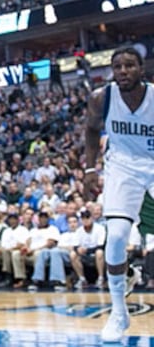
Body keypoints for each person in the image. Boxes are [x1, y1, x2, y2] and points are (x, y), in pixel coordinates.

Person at [84, 46, 154, 343]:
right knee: (114, 237)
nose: (123, 71)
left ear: (142, 69)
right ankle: (118, 312)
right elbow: (90, 131)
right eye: (118, 66)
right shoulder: (102, 98)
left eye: (129, 65)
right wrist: (89, 171)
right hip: (121, 168)